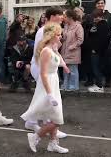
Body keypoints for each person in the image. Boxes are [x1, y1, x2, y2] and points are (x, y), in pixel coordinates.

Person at [21, 23, 69, 154]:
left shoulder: (52, 48)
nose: (60, 37)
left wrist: (64, 65)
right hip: (47, 85)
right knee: (57, 119)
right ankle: (35, 137)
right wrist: (49, 94)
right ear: (51, 36)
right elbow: (43, 74)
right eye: (58, 35)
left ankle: (53, 144)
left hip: (53, 83)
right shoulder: (46, 52)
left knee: (54, 117)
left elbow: (58, 57)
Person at [27, 7, 68, 138]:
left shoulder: (55, 30)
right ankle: (47, 125)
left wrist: (62, 64)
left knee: (44, 97)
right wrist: (44, 71)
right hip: (41, 66)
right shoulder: (43, 31)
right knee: (45, 97)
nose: (62, 17)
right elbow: (39, 53)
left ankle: (34, 122)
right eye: (60, 15)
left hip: (47, 67)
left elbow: (54, 51)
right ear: (52, 16)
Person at [87, 9, 109, 93]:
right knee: (96, 68)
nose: (94, 19)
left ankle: (99, 86)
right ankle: (98, 84)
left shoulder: (102, 25)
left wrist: (95, 50)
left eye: (96, 17)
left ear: (100, 17)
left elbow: (101, 40)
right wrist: (91, 32)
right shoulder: (99, 24)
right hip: (98, 50)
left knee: (96, 68)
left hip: (97, 51)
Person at [61, 9, 84, 91]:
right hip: (64, 51)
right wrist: (62, 38)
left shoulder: (78, 26)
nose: (63, 18)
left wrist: (73, 46)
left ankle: (73, 86)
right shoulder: (66, 26)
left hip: (73, 52)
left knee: (73, 70)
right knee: (65, 69)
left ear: (70, 17)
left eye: (65, 16)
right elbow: (65, 37)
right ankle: (65, 85)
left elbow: (80, 40)